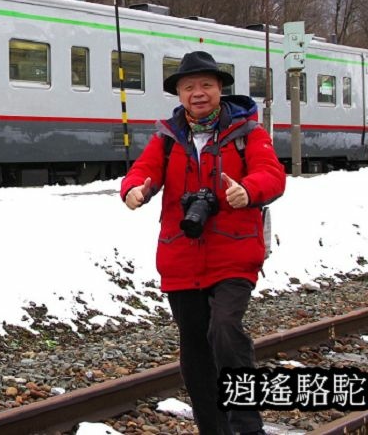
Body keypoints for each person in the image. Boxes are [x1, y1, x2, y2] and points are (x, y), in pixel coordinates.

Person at [121, 50, 285, 435]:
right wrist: (133, 189)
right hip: (182, 254)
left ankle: (248, 426)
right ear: (179, 94)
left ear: (220, 90)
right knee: (194, 346)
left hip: (233, 252)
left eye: (206, 85)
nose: (198, 93)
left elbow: (272, 174)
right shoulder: (167, 139)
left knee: (225, 330)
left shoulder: (248, 134)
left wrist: (249, 189)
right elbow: (143, 171)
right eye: (189, 87)